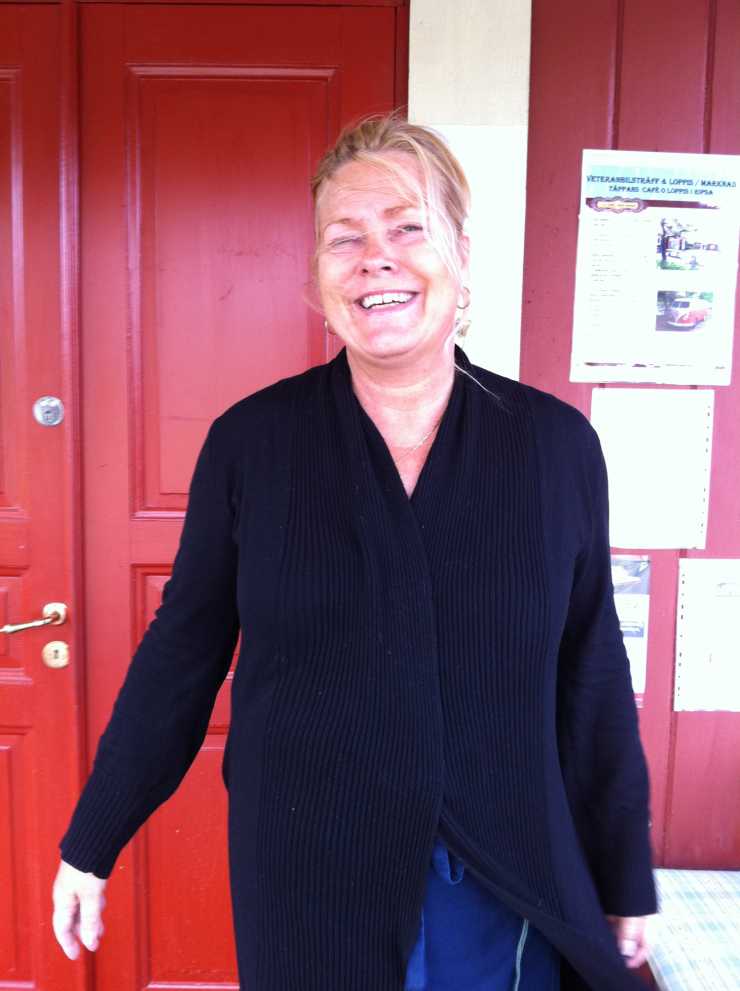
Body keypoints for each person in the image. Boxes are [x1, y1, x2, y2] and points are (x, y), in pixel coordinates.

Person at [52, 114, 657, 990]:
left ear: (460, 257)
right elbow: (181, 654)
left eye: (407, 228)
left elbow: (591, 665)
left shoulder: (554, 447)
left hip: (505, 878)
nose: (376, 258)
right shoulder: (253, 445)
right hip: (311, 876)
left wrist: (625, 872)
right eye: (345, 238)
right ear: (317, 276)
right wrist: (91, 842)